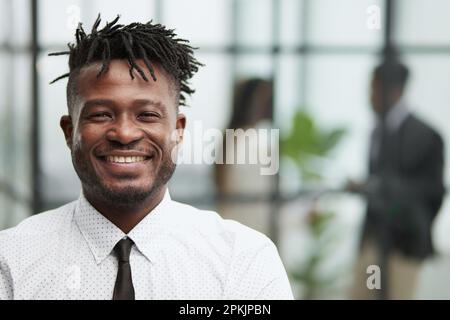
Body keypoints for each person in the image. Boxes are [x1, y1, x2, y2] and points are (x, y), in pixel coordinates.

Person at [0, 15, 293, 300]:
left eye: (147, 115)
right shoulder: (11, 260)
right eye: (101, 114)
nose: (125, 133)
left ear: (178, 131)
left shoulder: (243, 260)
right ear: (69, 130)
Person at [347, 59, 445, 299]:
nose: (369, 96)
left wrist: (379, 188)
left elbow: (434, 191)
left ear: (395, 91)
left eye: (374, 88)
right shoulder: (375, 132)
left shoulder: (427, 135)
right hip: (373, 239)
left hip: (405, 243)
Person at [214, 78, 275, 235]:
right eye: (265, 100)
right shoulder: (249, 140)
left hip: (239, 225)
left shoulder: (233, 138)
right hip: (247, 225)